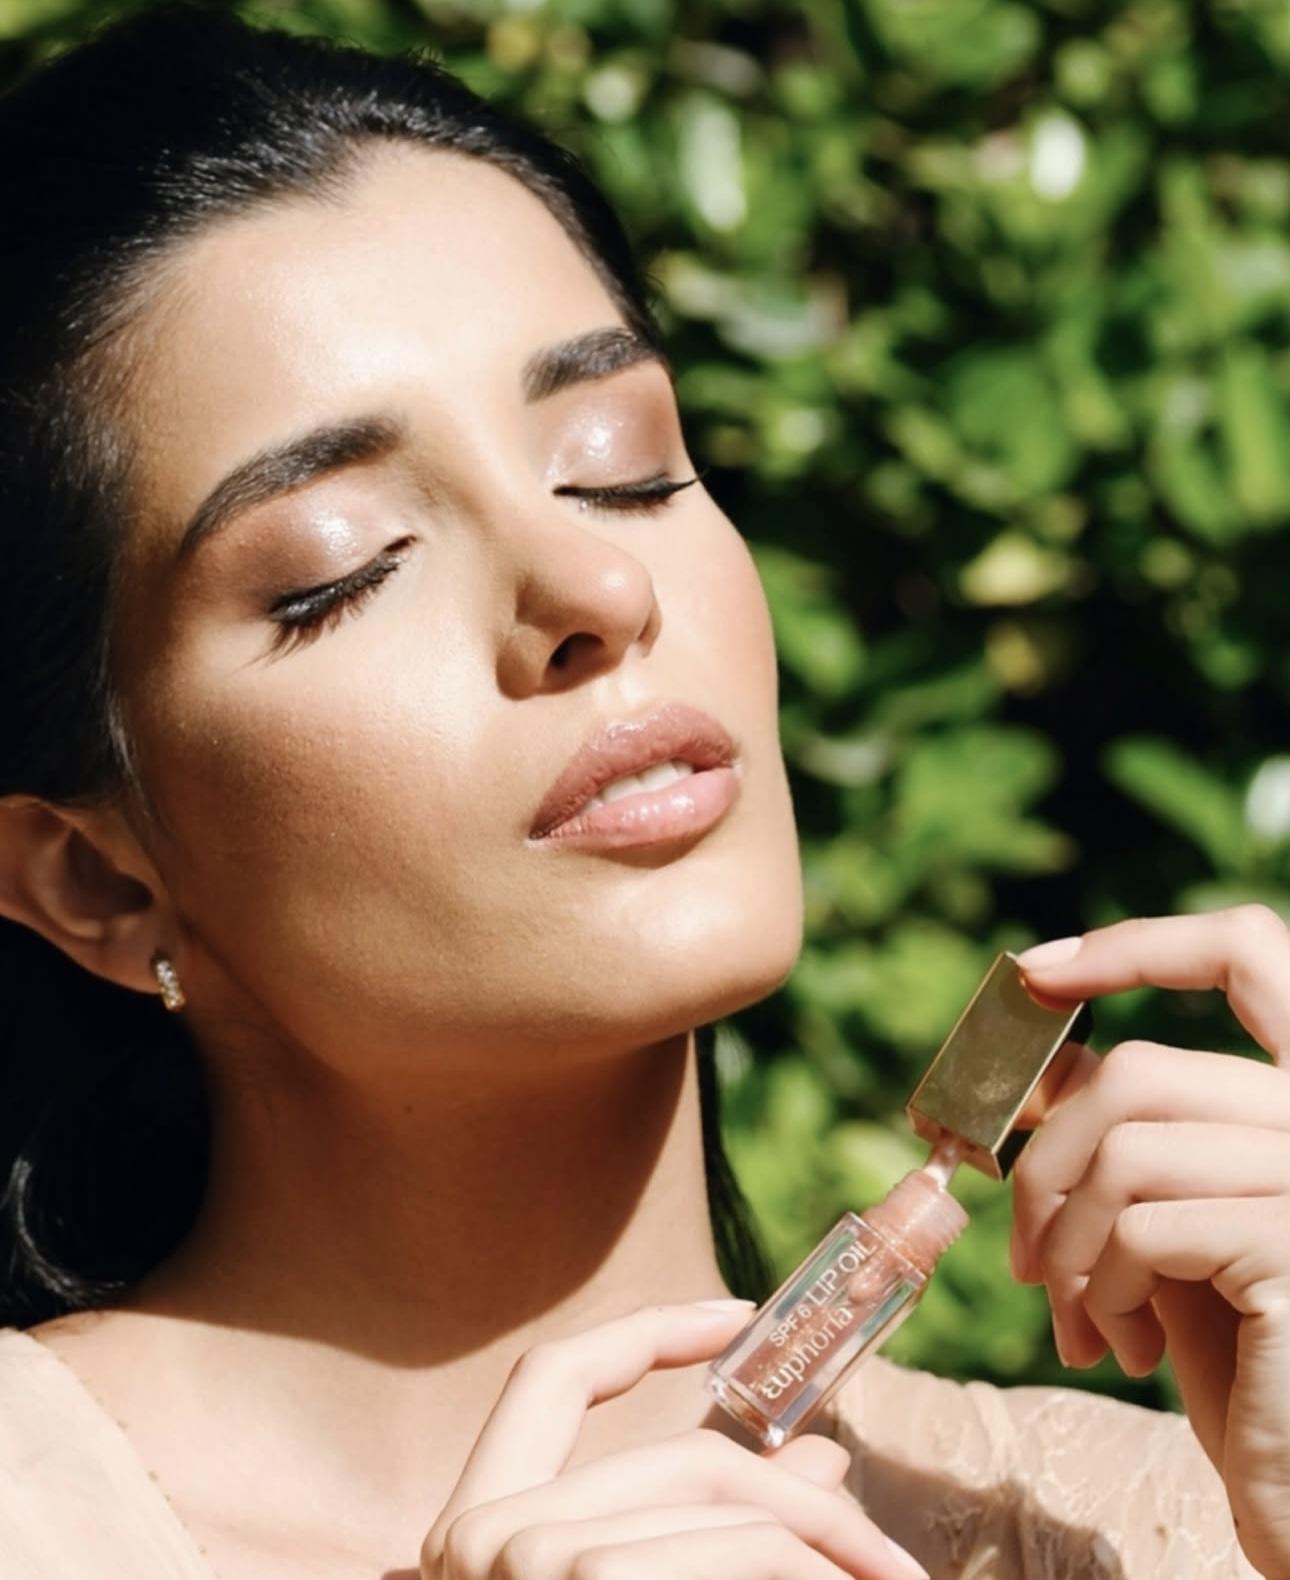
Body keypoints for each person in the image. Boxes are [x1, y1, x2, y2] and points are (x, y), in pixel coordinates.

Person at [0, 5, 1286, 1577]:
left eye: (625, 465)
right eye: (348, 568)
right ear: (94, 878)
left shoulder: (1181, 1520)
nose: (598, 584)